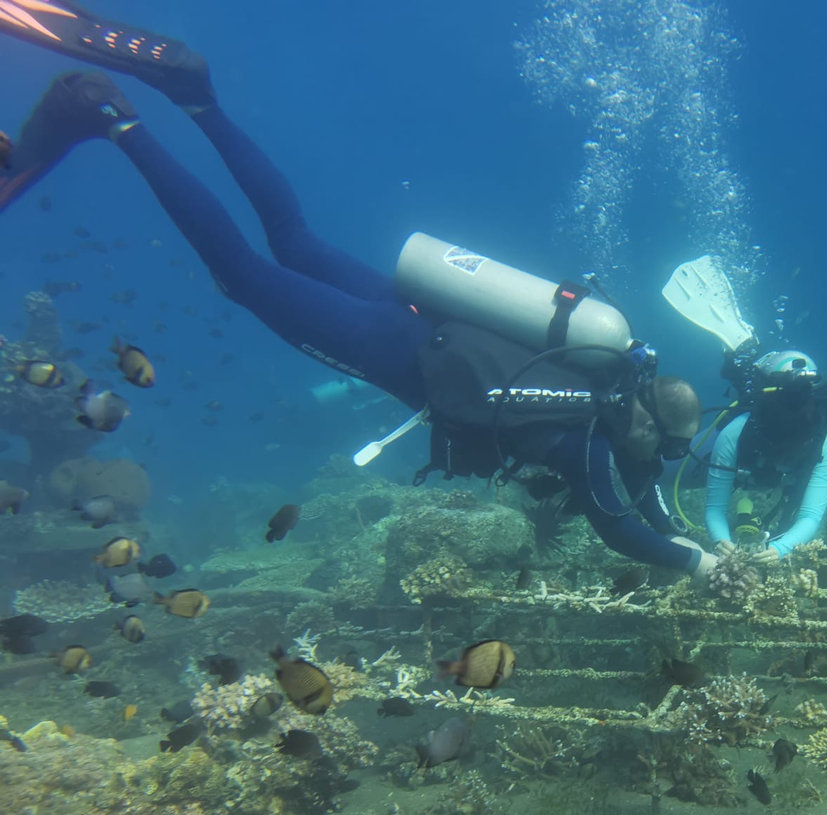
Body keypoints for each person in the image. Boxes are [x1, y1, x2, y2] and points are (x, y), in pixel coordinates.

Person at [0, 1, 717, 577]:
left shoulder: (609, 382)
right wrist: (701, 562)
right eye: (667, 449)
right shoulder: (588, 442)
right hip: (395, 347)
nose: (659, 463)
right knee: (242, 275)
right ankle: (111, 117)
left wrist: (681, 529)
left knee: (296, 242)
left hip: (418, 313)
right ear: (649, 425)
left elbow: (645, 491)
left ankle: (194, 96)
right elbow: (623, 529)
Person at [704, 349, 827, 563]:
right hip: (723, 457)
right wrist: (721, 541)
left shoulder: (826, 447)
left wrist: (780, 548)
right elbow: (715, 508)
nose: (782, 452)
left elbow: (810, 515)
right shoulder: (734, 434)